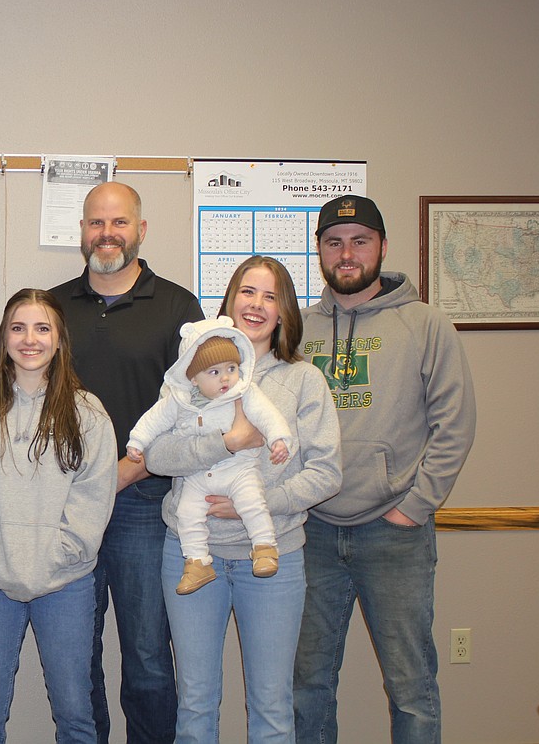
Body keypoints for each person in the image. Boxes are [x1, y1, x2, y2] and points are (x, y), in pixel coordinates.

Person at [294, 195, 476, 743]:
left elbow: (456, 424)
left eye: (359, 241)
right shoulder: (297, 330)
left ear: (382, 247)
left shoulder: (426, 325)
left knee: (411, 686)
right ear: (320, 252)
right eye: (333, 243)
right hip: (312, 534)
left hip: (394, 535)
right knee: (307, 685)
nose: (346, 254)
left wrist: (413, 508)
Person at [142, 255, 341, 742]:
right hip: (192, 556)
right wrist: (226, 442)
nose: (257, 305)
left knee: (272, 706)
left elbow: (327, 473)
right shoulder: (187, 379)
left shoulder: (302, 381)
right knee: (195, 702)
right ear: (229, 304)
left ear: (284, 313)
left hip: (271, 561)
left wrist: (258, 502)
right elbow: (156, 456)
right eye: (247, 293)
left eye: (270, 296)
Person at [49, 180, 203, 743]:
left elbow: (192, 411)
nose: (106, 234)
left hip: (145, 504)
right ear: (82, 233)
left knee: (147, 659)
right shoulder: (54, 307)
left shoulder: (178, 307)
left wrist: (132, 467)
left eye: (118, 222)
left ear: (141, 230)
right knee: (76, 658)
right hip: (67, 507)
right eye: (95, 223)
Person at [0, 289, 116, 743]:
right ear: (4, 338)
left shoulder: (89, 415)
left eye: (43, 328)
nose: (30, 339)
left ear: (59, 340)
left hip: (67, 583)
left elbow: (94, 497)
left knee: (76, 712)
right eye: (18, 328)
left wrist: (61, 554)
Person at [128, 316, 293, 595]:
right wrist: (137, 441)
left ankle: (264, 547)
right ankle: (197, 563)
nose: (226, 378)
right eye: (214, 373)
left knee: (252, 501)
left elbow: (268, 415)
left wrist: (279, 438)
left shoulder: (244, 392)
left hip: (238, 469)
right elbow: (152, 421)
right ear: (193, 378)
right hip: (197, 476)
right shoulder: (178, 400)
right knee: (187, 513)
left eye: (231, 368)